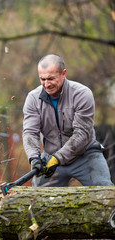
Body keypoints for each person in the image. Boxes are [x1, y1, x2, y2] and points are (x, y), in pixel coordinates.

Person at [22, 54, 114, 187]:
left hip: (85, 155)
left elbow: (81, 134)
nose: (46, 84)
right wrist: (34, 158)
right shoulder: (33, 99)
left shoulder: (82, 94)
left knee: (105, 192)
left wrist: (58, 158)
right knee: (38, 201)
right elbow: (30, 132)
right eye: (42, 79)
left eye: (51, 79)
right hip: (49, 157)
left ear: (63, 74)